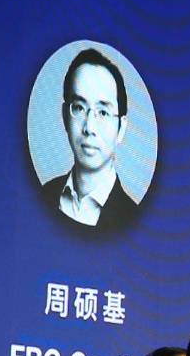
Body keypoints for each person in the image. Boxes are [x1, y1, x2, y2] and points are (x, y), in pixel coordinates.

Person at [43, 47, 142, 232]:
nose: (89, 127)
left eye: (103, 112)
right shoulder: (42, 195)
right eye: (79, 108)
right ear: (65, 117)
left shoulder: (135, 218)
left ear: (121, 128)